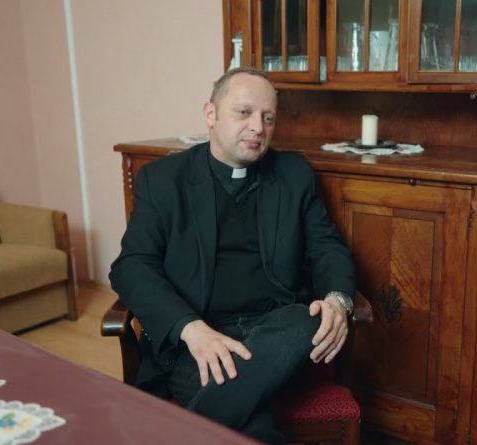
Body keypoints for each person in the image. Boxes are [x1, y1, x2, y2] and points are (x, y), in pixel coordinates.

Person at [109, 67, 355, 444]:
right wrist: (191, 330)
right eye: (244, 113)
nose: (258, 127)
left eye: (268, 117)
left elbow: (327, 247)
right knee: (255, 427)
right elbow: (131, 266)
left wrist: (337, 300)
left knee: (306, 320)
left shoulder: (293, 175)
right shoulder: (163, 180)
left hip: (277, 332)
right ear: (211, 114)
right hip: (198, 339)